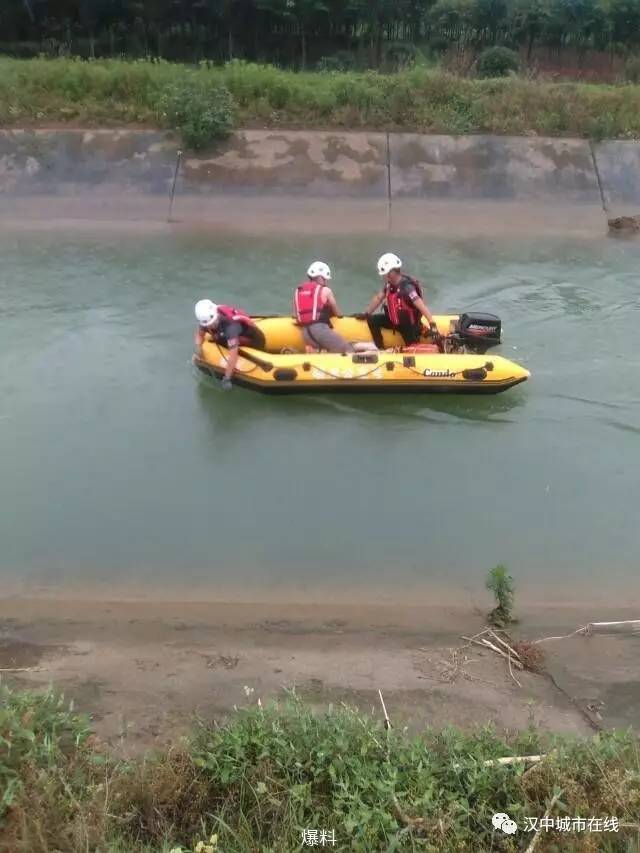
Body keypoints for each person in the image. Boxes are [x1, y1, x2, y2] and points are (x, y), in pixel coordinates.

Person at [360, 253, 441, 349]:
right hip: (393, 321)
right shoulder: (389, 285)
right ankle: (380, 347)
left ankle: (430, 344)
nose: (383, 276)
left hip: (409, 326)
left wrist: (432, 324)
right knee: (372, 320)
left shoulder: (408, 288)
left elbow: (421, 306)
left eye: (384, 274)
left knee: (412, 349)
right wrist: (366, 313)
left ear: (392, 272)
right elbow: (378, 298)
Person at [194, 299, 265, 390]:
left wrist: (227, 378)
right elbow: (200, 335)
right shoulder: (206, 320)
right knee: (221, 337)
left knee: (229, 339)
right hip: (230, 336)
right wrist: (198, 348)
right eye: (209, 324)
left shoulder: (230, 327)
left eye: (213, 323)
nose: (211, 326)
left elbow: (233, 355)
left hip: (253, 340)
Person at [293, 261, 355, 354]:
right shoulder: (325, 290)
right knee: (348, 349)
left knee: (329, 349)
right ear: (320, 277)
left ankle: (316, 352)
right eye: (325, 278)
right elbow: (338, 313)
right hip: (320, 331)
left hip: (305, 334)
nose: (326, 281)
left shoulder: (298, 290)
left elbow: (295, 315)